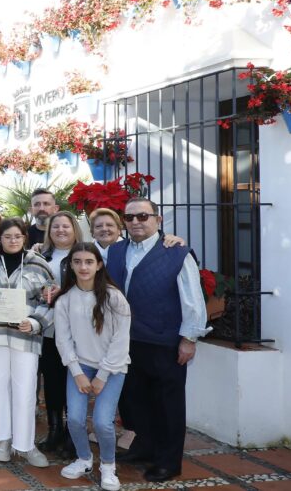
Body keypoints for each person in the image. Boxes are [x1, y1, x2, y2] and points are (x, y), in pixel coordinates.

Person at [109, 198, 209, 483]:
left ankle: (168, 461)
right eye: (130, 218)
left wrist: (189, 339)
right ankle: (145, 448)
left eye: (143, 216)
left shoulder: (176, 252)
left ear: (158, 219)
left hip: (164, 341)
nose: (136, 222)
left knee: (168, 404)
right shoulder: (116, 251)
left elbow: (193, 300)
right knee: (134, 401)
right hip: (128, 341)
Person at [0, 218, 53, 467]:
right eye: (7, 237)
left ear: (24, 237)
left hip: (25, 335)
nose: (12, 240)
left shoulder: (39, 264)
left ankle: (25, 445)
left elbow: (49, 300)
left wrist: (35, 323)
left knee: (25, 389)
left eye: (17, 236)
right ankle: (1, 440)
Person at [55, 244, 131, 491]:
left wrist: (102, 375)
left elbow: (121, 341)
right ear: (71, 265)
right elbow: (63, 340)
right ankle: (84, 458)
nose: (83, 267)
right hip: (80, 366)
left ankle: (108, 466)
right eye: (77, 262)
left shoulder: (114, 297)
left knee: (102, 422)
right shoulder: (65, 300)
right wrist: (77, 372)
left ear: (99, 264)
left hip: (113, 368)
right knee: (75, 419)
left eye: (89, 261)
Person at [33, 212, 83, 457]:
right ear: (49, 231)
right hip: (49, 331)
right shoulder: (40, 256)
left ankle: (74, 435)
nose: (61, 230)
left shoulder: (85, 254)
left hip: (78, 333)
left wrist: (60, 292)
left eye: (66, 226)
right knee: (52, 383)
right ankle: (55, 430)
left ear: (74, 229)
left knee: (74, 382)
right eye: (56, 227)